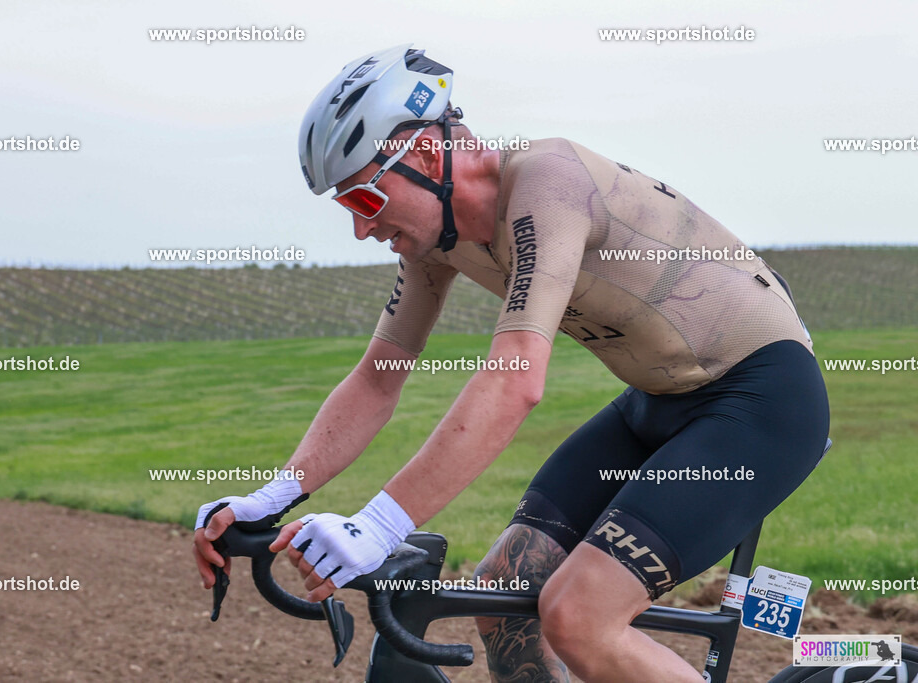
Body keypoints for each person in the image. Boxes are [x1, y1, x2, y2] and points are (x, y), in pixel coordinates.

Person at [192, 44, 830, 682]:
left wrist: (378, 526)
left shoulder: (548, 181)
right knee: (502, 597)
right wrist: (271, 497)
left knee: (579, 616)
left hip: (761, 402)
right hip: (657, 405)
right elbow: (377, 379)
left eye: (363, 201)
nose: (362, 230)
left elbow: (515, 379)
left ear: (421, 155)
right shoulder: (436, 243)